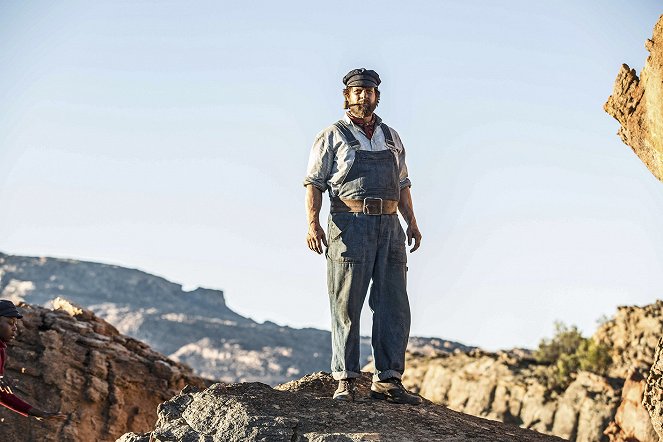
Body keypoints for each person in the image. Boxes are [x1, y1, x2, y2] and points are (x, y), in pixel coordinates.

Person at [304, 68, 422, 404]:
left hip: (390, 227)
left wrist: (411, 222)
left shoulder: (391, 136)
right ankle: (346, 378)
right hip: (349, 224)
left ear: (377, 96)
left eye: (368, 91)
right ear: (347, 96)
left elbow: (402, 184)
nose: (363, 96)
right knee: (347, 303)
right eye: (357, 91)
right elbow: (314, 182)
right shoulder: (332, 135)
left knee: (393, 304)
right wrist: (312, 223)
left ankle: (388, 380)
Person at [0, 299, 67, 420]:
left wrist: (38, 413)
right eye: (10, 323)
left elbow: (2, 395)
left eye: (15, 323)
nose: (15, 328)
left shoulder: (1, 351)